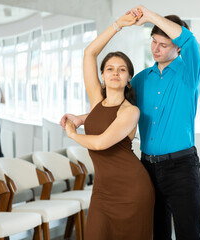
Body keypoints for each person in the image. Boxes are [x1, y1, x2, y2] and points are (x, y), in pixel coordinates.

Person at [62, 5, 200, 240]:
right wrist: (81, 118)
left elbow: (190, 40)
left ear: (177, 48)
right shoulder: (139, 80)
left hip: (181, 168)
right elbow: (115, 109)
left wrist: (148, 16)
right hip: (147, 167)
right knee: (157, 234)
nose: (156, 49)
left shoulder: (189, 72)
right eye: (153, 41)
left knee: (188, 236)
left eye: (164, 45)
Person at [62, 12, 155, 240]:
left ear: (129, 78)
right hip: (103, 192)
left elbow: (101, 142)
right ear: (102, 75)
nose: (115, 72)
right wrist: (118, 25)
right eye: (110, 68)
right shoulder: (95, 101)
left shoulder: (130, 111)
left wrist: (72, 133)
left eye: (122, 69)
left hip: (132, 190)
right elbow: (89, 53)